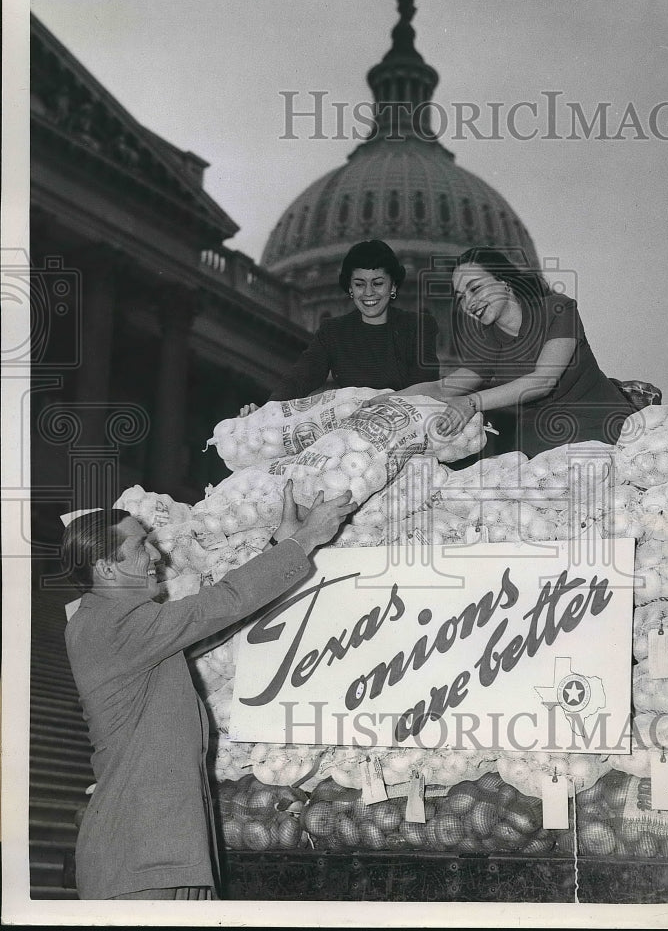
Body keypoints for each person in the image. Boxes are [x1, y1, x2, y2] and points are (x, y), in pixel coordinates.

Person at [62, 482, 355, 900]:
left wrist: (280, 544)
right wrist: (306, 538)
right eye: (142, 545)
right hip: (140, 859)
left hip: (166, 850)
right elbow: (222, 602)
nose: (157, 557)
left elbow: (212, 622)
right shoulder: (112, 625)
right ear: (107, 568)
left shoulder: (121, 627)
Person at [389, 247, 636, 458]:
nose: (469, 303)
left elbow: (542, 381)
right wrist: (389, 399)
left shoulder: (558, 309)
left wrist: (471, 402)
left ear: (505, 283)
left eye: (475, 289)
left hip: (601, 428)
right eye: (461, 297)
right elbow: (444, 388)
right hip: (539, 446)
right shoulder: (488, 340)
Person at [252, 240, 439, 407]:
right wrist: (267, 411)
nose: (368, 293)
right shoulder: (332, 332)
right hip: (347, 432)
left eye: (378, 283)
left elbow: (425, 390)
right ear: (350, 288)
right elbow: (300, 378)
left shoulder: (418, 327)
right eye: (359, 284)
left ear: (393, 286)